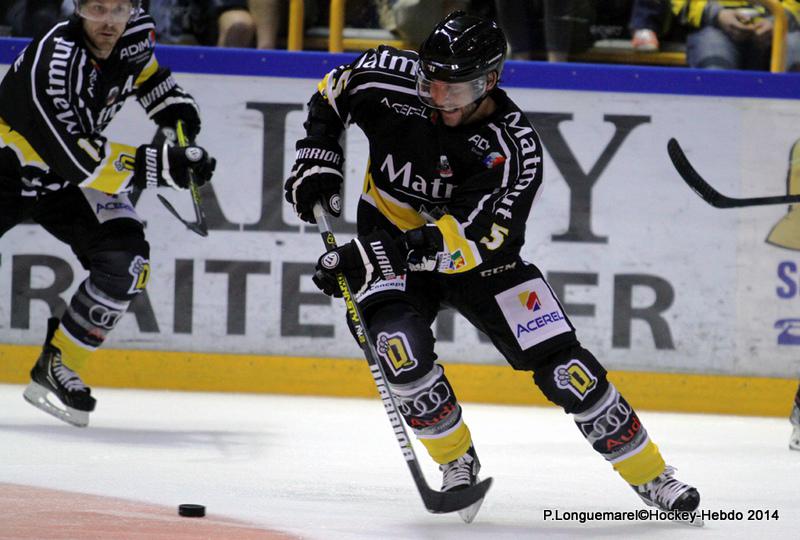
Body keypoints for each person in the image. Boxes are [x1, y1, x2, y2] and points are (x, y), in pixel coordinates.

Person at [284, 11, 702, 523]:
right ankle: (456, 461)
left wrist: (367, 256)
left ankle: (652, 475)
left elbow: (470, 241)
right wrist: (318, 157)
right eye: (429, 81)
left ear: (489, 81)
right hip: (389, 242)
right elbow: (332, 92)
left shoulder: (513, 149)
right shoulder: (388, 75)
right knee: (400, 354)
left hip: (483, 265)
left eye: (454, 89)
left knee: (569, 371)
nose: (437, 98)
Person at [0, 0, 217, 427]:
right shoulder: (56, 64)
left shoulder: (134, 33)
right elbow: (80, 164)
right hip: (9, 170)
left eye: (120, 8)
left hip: (64, 183)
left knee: (127, 263)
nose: (109, 22)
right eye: (98, 8)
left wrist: (177, 112)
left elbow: (152, 78)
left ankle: (59, 364)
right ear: (76, 8)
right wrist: (165, 165)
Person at [671, 0, 800, 71]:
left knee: (795, 46)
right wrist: (716, 14)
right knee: (714, 60)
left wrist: (777, 22)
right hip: (714, 26)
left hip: (779, 27)